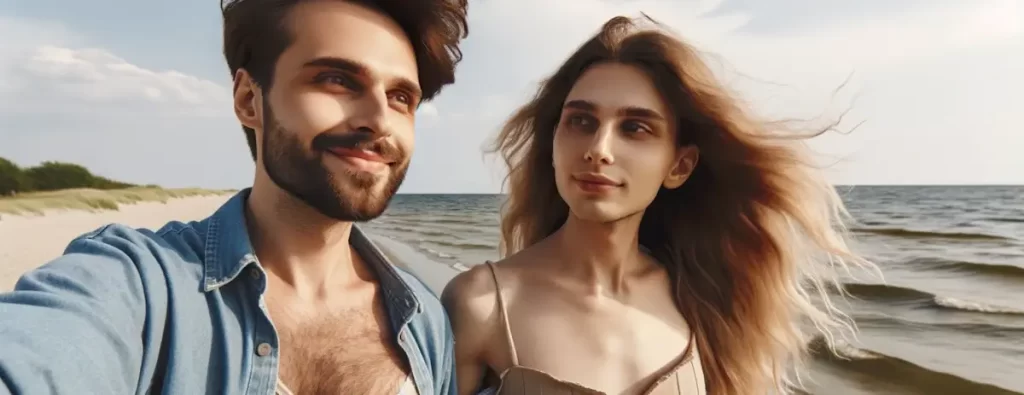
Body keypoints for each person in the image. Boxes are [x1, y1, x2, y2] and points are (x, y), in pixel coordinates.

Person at [0, 0, 468, 394]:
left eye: (401, 98)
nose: (379, 120)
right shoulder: (138, 284)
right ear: (248, 99)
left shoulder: (424, 321)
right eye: (338, 80)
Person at [442, 15, 871, 395]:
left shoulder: (704, 301)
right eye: (581, 121)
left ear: (679, 166)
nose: (599, 148)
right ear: (554, 141)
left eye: (635, 128)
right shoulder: (482, 304)